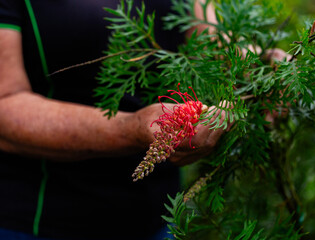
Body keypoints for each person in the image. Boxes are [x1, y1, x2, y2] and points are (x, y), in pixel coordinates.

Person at [0, 1, 228, 240]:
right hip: (43, 222)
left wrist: (259, 67)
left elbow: (212, 42)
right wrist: (132, 127)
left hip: (160, 217)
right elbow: (5, 106)